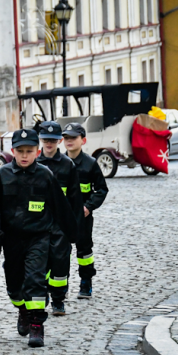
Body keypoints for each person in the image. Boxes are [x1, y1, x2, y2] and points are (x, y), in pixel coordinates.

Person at [0, 129, 77, 347]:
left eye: (29, 151)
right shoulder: (2, 175)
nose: (25, 155)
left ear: (37, 152)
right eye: (20, 151)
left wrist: (73, 234)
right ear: (12, 152)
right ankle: (23, 310)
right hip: (12, 239)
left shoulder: (45, 175)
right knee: (14, 284)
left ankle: (37, 325)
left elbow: (61, 206)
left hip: (39, 237)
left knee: (35, 279)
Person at [35, 121, 83, 316]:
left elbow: (75, 200)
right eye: (45, 140)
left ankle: (58, 299)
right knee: (40, 263)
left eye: (52, 141)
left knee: (60, 264)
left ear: (59, 141)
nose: (48, 144)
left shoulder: (67, 165)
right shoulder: (34, 164)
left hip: (60, 224)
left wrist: (74, 229)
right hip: (39, 224)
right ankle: (43, 293)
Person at [62, 123, 109, 299]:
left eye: (73, 138)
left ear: (83, 140)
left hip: (83, 217)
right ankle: (61, 285)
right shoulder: (59, 163)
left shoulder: (90, 164)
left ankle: (86, 281)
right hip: (63, 218)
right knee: (61, 252)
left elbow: (101, 190)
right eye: (66, 138)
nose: (69, 141)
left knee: (84, 251)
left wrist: (88, 207)